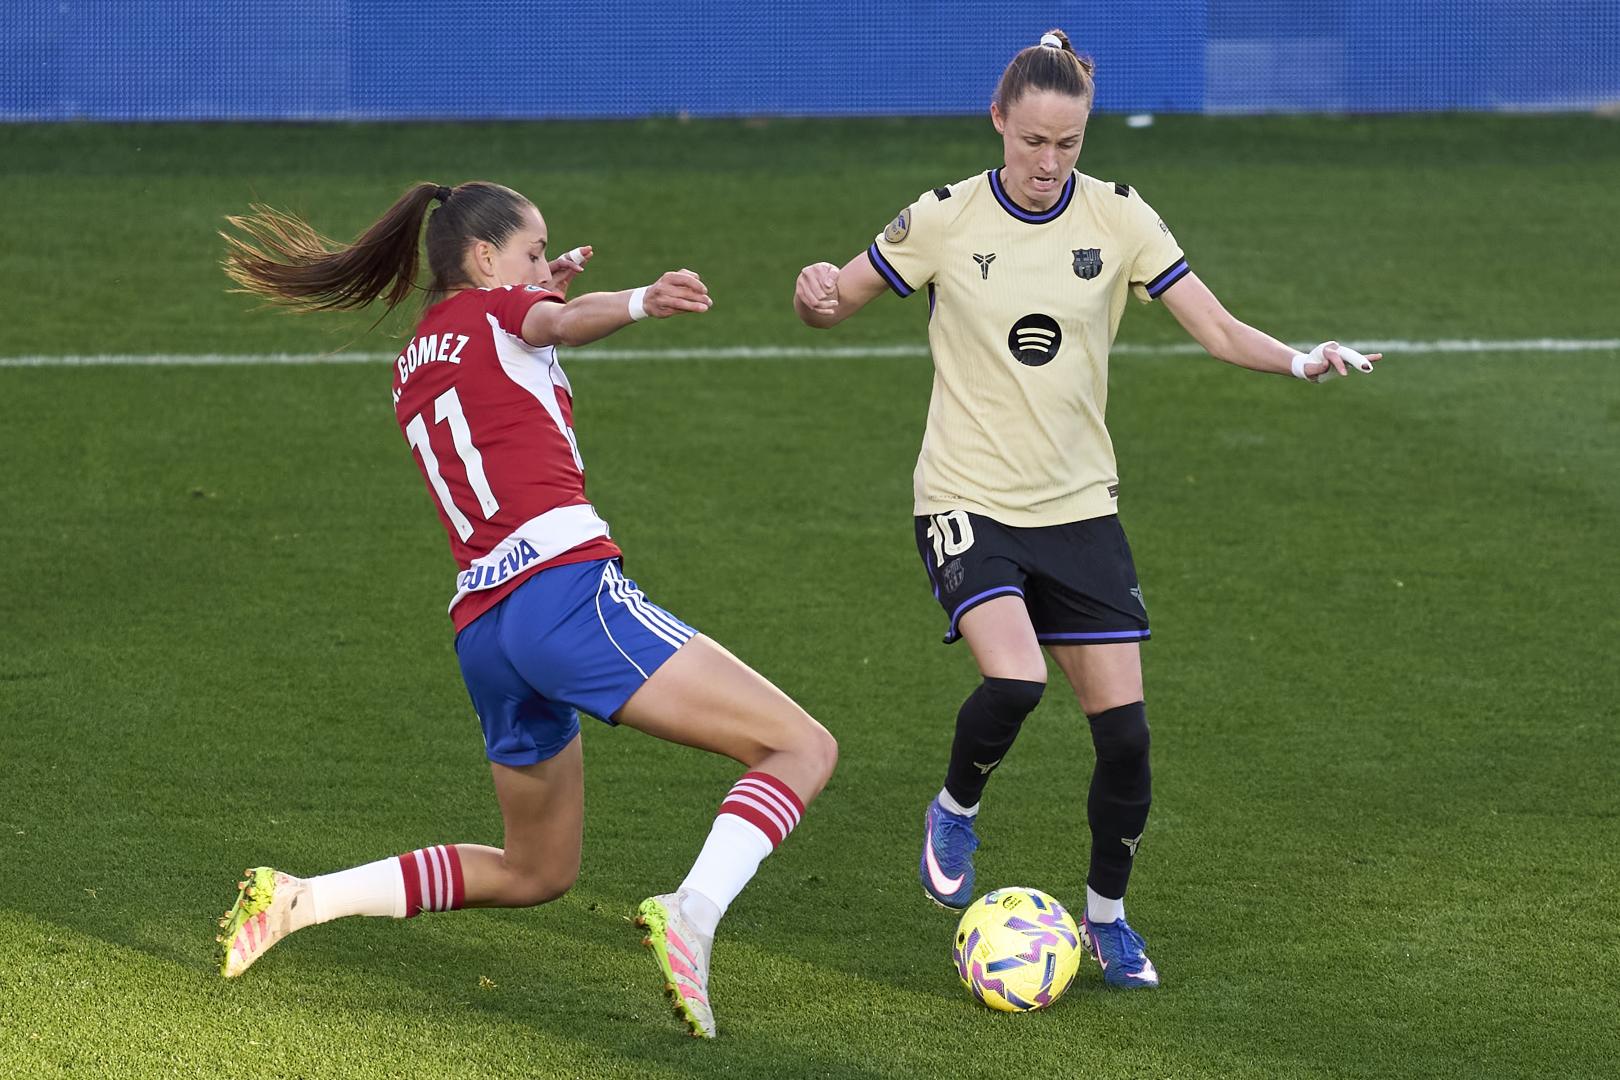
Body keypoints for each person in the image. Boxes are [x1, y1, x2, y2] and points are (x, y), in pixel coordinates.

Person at [793, 30, 1378, 990]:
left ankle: (1106, 917)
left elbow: (1218, 327)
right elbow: (833, 302)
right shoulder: (943, 218)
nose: (1048, 162)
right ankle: (956, 807)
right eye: (1033, 141)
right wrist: (814, 289)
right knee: (1016, 681)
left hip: (1077, 505)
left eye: (1068, 144)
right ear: (999, 120)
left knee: (1127, 739)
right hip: (967, 498)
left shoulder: (1120, 219)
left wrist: (1300, 357)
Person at [216, 179, 837, 1038]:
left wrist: (543, 286)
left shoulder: (416, 358)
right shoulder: (508, 315)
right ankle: (692, 913)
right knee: (801, 746)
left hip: (485, 629)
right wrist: (638, 302)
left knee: (536, 868)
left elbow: (514, 344)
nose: (548, 266)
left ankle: (301, 899)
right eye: (534, 251)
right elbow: (547, 324)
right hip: (563, 594)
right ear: (483, 258)